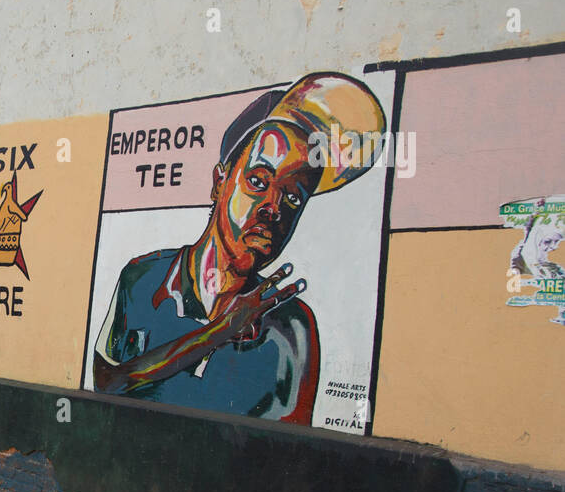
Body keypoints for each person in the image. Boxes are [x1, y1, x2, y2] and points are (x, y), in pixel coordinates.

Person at [92, 72, 386, 424]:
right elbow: (107, 384)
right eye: (258, 181)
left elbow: (289, 456)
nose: (273, 207)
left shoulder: (292, 328)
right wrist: (220, 331)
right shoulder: (141, 278)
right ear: (220, 182)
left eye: (293, 196)